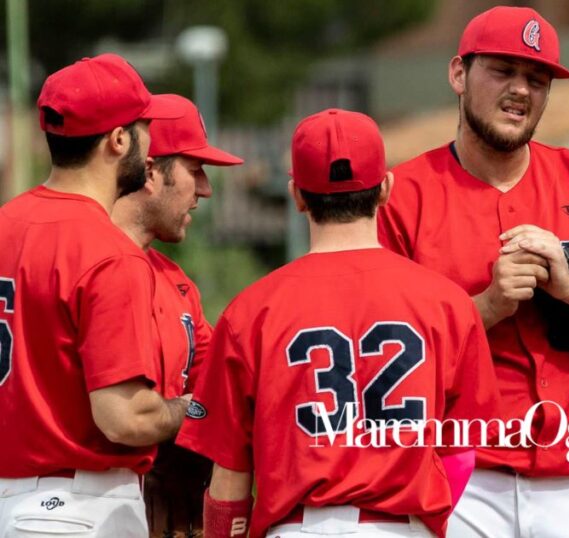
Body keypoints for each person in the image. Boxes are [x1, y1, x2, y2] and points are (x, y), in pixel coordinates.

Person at [378, 7, 569, 536]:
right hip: (457, 480)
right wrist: (486, 306)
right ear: (458, 74)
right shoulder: (402, 196)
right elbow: (379, 362)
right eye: (502, 71)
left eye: (537, 79)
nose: (521, 90)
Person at [176, 108, 499, 538]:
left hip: (300, 528)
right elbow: (461, 454)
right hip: (405, 528)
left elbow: (230, 479)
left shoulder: (251, 311)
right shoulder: (448, 303)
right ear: (386, 188)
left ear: (297, 195)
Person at [0, 54, 191, 536]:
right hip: (75, 508)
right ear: (119, 140)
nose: (150, 146)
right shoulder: (108, 250)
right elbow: (125, 419)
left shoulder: (5, 223)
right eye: (144, 127)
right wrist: (191, 409)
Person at [111, 93, 244, 538]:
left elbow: (219, 388)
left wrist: (185, 457)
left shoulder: (176, 282)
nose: (205, 189)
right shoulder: (79, 264)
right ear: (150, 171)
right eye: (195, 170)